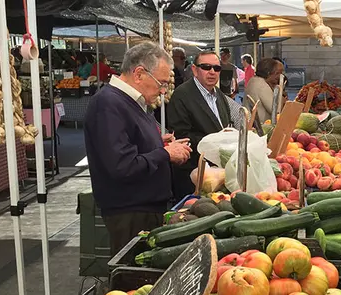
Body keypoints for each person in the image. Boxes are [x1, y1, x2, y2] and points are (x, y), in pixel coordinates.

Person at [84, 42, 192, 254]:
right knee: (133, 278)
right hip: (130, 212)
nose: (162, 91)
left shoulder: (132, 102)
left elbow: (129, 145)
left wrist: (157, 143)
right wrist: (164, 153)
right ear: (139, 73)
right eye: (161, 83)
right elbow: (121, 165)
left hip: (143, 207)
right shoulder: (108, 104)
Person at [167, 50, 236, 198]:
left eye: (216, 68)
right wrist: (218, 142)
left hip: (216, 174)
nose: (212, 72)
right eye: (206, 67)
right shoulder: (182, 95)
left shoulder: (218, 94)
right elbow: (182, 136)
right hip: (193, 176)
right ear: (194, 69)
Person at [245, 58, 284, 125]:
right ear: (269, 73)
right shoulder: (261, 85)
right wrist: (280, 92)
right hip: (261, 127)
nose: (279, 77)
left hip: (252, 123)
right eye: (277, 73)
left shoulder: (253, 80)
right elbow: (276, 111)